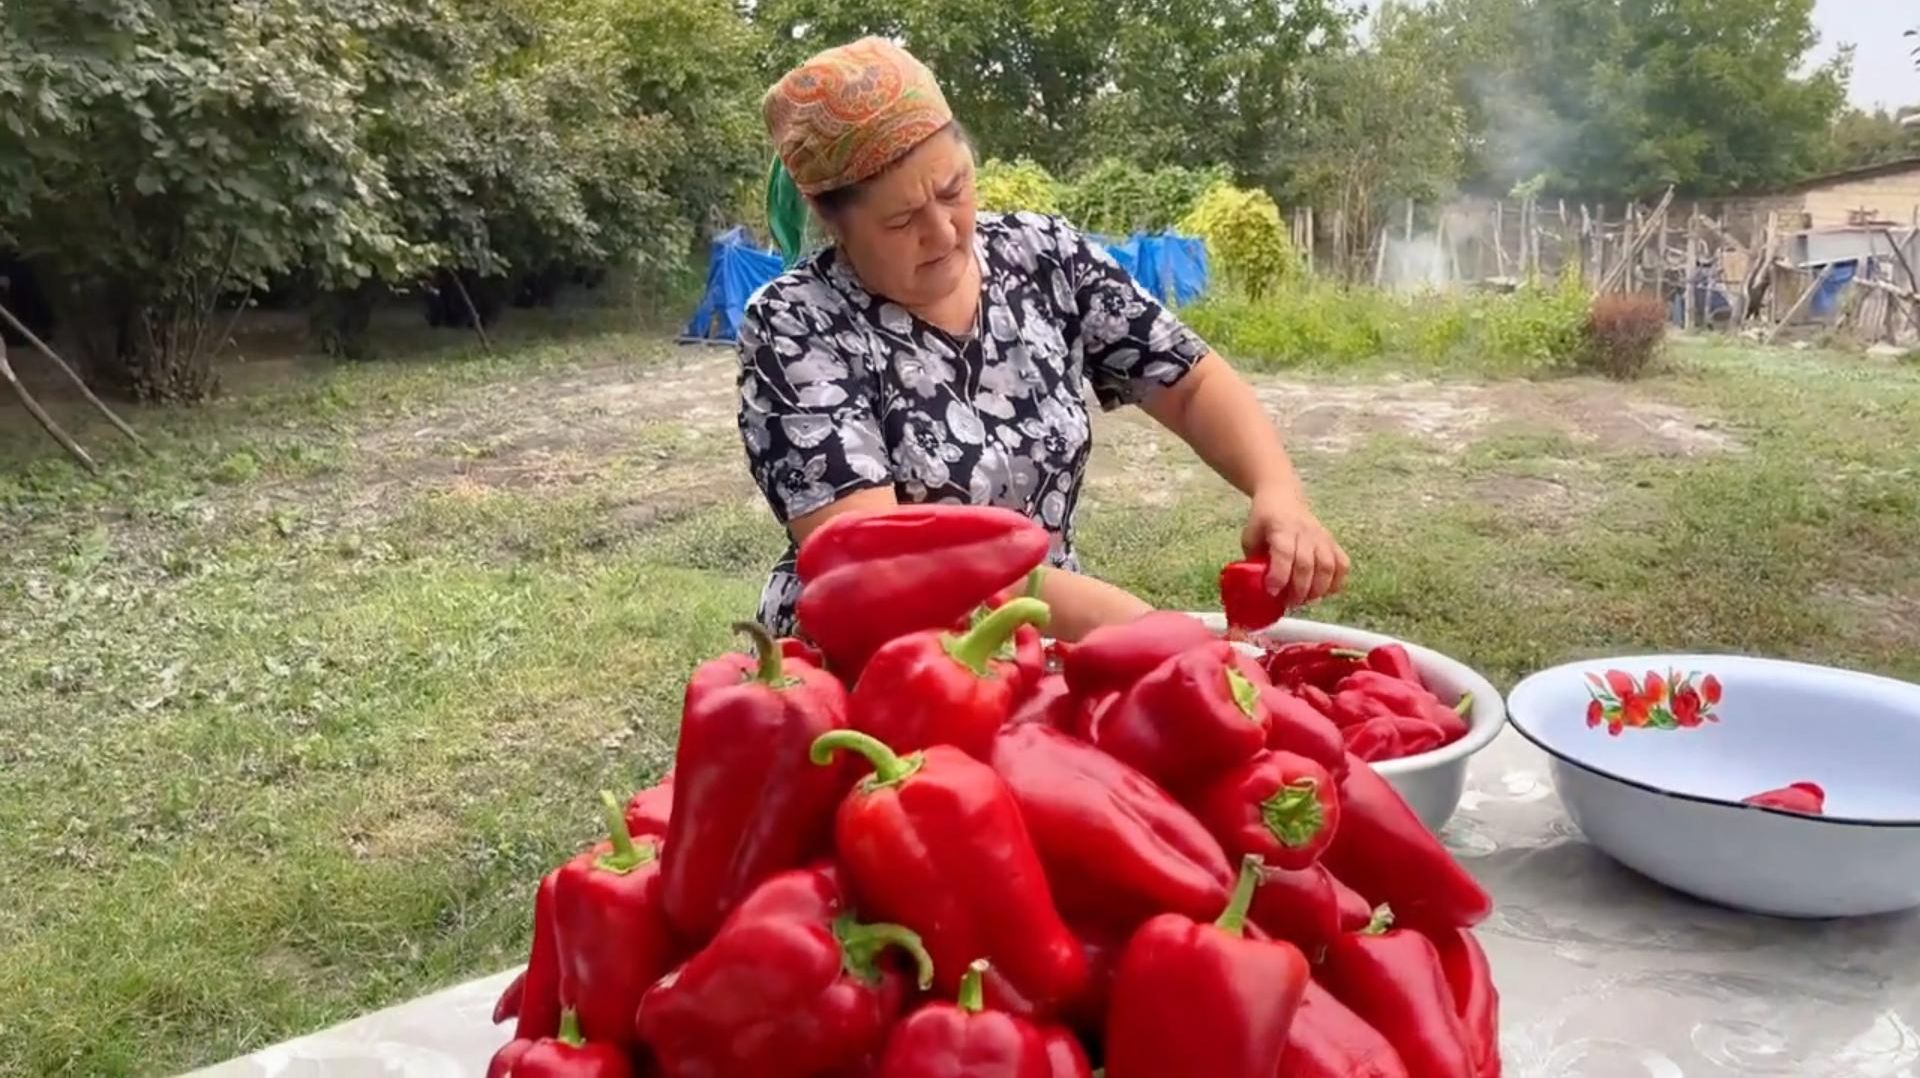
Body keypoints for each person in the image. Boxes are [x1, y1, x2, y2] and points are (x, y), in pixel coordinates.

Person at [737, 36, 1348, 643]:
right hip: (884, 665)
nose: (944, 231)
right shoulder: (795, 324)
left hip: (1045, 642)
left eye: (954, 190)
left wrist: (1278, 491)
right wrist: (1145, 630)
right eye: (901, 220)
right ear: (830, 219)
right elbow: (882, 565)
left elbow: (1190, 381)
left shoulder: (1042, 256)